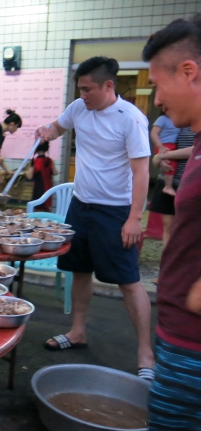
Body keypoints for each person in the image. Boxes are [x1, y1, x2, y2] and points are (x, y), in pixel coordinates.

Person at [35, 56, 154, 380]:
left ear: (108, 86)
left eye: (88, 89)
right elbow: (57, 127)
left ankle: (146, 353)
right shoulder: (79, 108)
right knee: (79, 270)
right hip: (81, 205)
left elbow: (142, 172)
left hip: (115, 211)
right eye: (80, 89)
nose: (82, 95)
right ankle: (77, 332)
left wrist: (134, 218)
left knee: (128, 280)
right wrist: (48, 131)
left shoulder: (131, 119)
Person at [142, 15, 201, 430]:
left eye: (157, 85)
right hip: (178, 336)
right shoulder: (196, 142)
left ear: (188, 71)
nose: (157, 100)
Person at [148, 126, 194, 285]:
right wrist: (160, 159)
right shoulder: (173, 125)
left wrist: (165, 155)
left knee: (188, 231)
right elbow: (156, 158)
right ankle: (167, 273)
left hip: (189, 184)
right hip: (168, 183)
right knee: (168, 228)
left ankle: (187, 276)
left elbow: (195, 150)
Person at [150, 113, 180, 196]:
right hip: (164, 145)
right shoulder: (162, 119)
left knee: (171, 163)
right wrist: (160, 146)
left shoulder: (179, 120)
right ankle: (168, 186)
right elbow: (154, 133)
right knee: (170, 164)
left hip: (173, 145)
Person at [25, 141, 59, 211]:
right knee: (46, 208)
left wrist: (27, 171)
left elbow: (29, 176)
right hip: (48, 188)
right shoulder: (49, 160)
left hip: (39, 188)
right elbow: (55, 172)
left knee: (37, 208)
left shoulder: (35, 161)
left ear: (36, 148)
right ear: (46, 148)